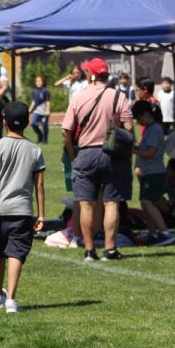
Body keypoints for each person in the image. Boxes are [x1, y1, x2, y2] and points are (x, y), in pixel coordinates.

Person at [61, 58, 132, 261]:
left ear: (91, 76)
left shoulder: (78, 97)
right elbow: (129, 129)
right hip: (113, 154)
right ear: (106, 75)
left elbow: (66, 130)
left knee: (86, 204)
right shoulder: (119, 96)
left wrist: (73, 154)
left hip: (85, 153)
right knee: (111, 204)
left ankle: (89, 249)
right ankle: (110, 249)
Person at [0, 102, 45, 313]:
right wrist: (42, 215)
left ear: (4, 122)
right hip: (23, 210)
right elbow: (40, 185)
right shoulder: (35, 150)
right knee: (16, 254)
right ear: (28, 123)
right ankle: (11, 298)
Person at [132, 100, 172, 245]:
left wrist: (132, 150)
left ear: (146, 114)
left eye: (138, 118)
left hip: (154, 172)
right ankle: (153, 233)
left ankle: (165, 233)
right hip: (148, 172)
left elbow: (150, 153)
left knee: (147, 202)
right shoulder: (149, 129)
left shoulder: (154, 129)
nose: (137, 122)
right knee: (146, 204)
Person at [30, 74, 51, 144]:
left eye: (40, 81)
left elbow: (48, 102)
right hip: (37, 111)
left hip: (44, 112)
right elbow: (33, 102)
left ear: (43, 82)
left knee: (44, 125)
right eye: (37, 81)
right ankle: (40, 135)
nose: (38, 82)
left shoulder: (46, 91)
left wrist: (48, 110)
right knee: (33, 123)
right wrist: (29, 110)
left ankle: (44, 140)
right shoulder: (34, 91)